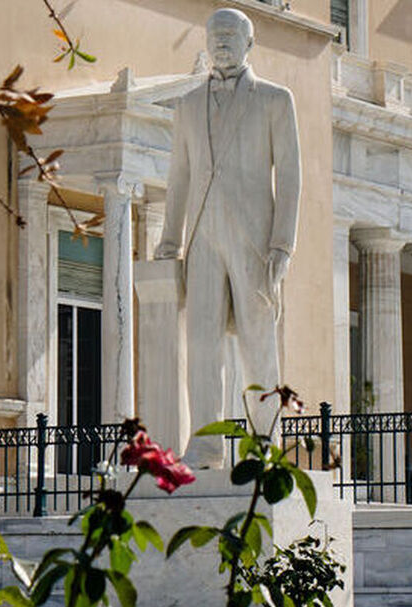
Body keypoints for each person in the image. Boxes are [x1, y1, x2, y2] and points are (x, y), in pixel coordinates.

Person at [155, 8, 301, 468]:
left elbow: (292, 177)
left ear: (249, 43)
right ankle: (205, 443)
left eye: (230, 35)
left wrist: (282, 244)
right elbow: (178, 178)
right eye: (215, 35)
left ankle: (264, 441)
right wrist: (168, 243)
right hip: (201, 237)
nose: (221, 42)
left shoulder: (276, 100)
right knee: (202, 344)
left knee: (258, 342)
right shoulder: (187, 105)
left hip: (255, 238)